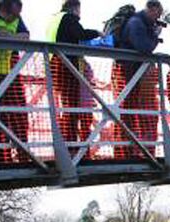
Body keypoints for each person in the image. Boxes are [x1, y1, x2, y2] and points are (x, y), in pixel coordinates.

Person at [46, 0, 101, 155]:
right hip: (66, 66)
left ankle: (68, 144)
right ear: (75, 8)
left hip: (54, 64)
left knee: (66, 107)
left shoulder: (55, 19)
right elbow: (80, 34)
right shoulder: (69, 18)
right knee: (71, 107)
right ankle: (70, 147)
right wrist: (98, 33)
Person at [112, 0, 164, 159]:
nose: (158, 18)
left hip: (131, 72)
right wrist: (155, 35)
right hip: (127, 71)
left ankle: (129, 151)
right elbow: (144, 48)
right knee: (126, 112)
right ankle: (124, 153)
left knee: (129, 111)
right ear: (150, 9)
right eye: (157, 14)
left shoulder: (140, 23)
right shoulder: (136, 23)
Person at [0, 0, 29, 164]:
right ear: (3, 7)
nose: (11, 20)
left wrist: (11, 37)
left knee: (14, 115)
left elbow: (26, 36)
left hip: (6, 74)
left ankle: (10, 157)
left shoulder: (16, 16)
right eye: (9, 15)